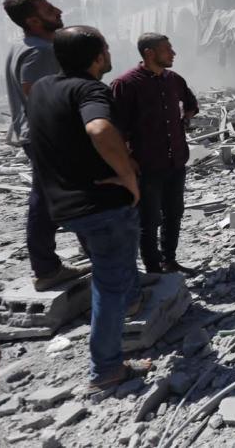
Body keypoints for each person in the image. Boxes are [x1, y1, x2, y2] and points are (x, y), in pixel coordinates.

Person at [26, 26, 150, 391]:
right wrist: (127, 175)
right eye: (106, 49)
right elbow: (98, 129)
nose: (110, 54)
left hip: (65, 206)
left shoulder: (42, 88)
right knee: (108, 285)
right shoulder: (90, 89)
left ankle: (131, 304)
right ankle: (106, 368)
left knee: (111, 269)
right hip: (102, 205)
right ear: (97, 57)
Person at [2, 0, 89, 291]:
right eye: (49, 9)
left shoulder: (24, 46)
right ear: (33, 21)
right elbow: (38, 94)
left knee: (49, 197)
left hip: (38, 136)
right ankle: (49, 267)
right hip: (49, 137)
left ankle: (49, 265)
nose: (58, 10)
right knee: (56, 198)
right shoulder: (40, 52)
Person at [111, 34, 199, 275]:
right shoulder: (126, 84)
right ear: (149, 53)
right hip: (147, 165)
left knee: (174, 214)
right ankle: (153, 268)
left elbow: (191, 104)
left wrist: (185, 118)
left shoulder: (174, 80)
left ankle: (169, 260)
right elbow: (115, 128)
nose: (173, 53)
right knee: (149, 220)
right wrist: (127, 159)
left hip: (175, 160)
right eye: (167, 49)